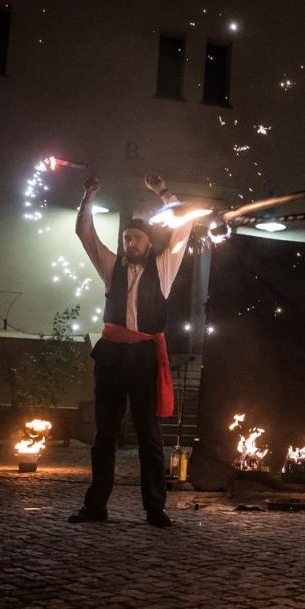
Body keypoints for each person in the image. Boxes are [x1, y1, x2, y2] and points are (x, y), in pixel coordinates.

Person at [69, 174, 195, 527]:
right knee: (104, 434)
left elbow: (183, 227)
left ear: (149, 242)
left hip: (142, 356)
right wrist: (89, 194)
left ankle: (155, 508)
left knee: (148, 435)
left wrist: (162, 192)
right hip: (110, 355)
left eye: (137, 238)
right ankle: (96, 507)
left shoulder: (164, 266)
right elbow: (85, 235)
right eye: (126, 238)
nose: (130, 242)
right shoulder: (112, 268)